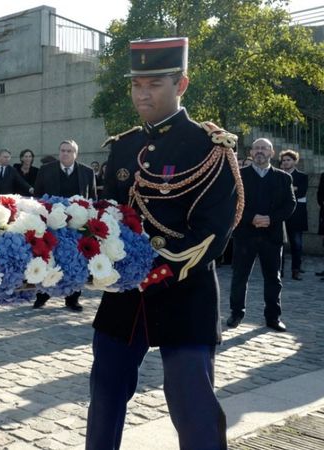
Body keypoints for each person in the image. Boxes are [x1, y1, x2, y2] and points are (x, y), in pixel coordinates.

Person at [87, 37, 243, 449]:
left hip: (184, 289)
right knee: (104, 396)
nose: (142, 94)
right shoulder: (123, 147)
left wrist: (161, 269)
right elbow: (108, 217)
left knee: (193, 407)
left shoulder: (209, 147)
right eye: (136, 84)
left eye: (154, 84)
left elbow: (213, 230)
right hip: (125, 295)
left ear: (181, 84)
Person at [226, 138, 295, 332]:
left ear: (272, 153)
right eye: (256, 148)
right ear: (251, 152)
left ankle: (273, 317)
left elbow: (290, 204)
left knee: (273, 278)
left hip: (272, 236)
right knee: (239, 276)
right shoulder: (239, 176)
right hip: (245, 235)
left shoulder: (283, 178)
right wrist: (251, 218)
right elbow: (232, 202)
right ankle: (236, 313)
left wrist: (270, 219)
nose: (260, 151)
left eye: (264, 148)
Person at [32, 139, 96, 311]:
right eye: (62, 150)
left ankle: (72, 298)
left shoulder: (87, 172)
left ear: (76, 154)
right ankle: (42, 295)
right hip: (52, 222)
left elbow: (92, 198)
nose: (65, 153)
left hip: (77, 225)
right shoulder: (46, 170)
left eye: (69, 151)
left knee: (76, 259)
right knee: (49, 257)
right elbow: (38, 196)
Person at [279, 149, 307, 280]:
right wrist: (293, 188)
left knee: (297, 244)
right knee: (279, 245)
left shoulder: (302, 176)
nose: (285, 162)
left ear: (294, 161)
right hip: (280, 215)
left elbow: (301, 192)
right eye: (283, 160)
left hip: (297, 215)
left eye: (288, 160)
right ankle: (280, 270)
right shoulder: (277, 175)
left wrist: (286, 190)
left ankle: (296, 270)